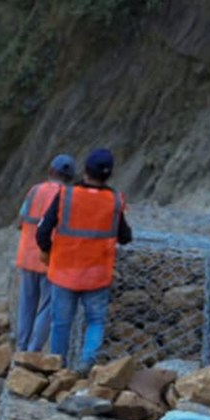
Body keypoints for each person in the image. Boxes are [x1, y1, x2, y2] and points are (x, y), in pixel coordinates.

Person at [37, 146, 133, 369]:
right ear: (109, 174)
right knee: (96, 322)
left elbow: (42, 231)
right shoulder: (115, 201)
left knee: (61, 324)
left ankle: (57, 368)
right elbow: (126, 237)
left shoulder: (65, 195)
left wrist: (47, 250)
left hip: (64, 272)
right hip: (97, 276)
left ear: (85, 170)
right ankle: (86, 364)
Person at [14, 155, 74, 352]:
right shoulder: (67, 196)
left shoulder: (34, 191)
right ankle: (32, 352)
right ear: (71, 177)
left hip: (27, 256)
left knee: (26, 306)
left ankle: (20, 348)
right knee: (47, 308)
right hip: (51, 259)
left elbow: (19, 222)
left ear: (50, 171)